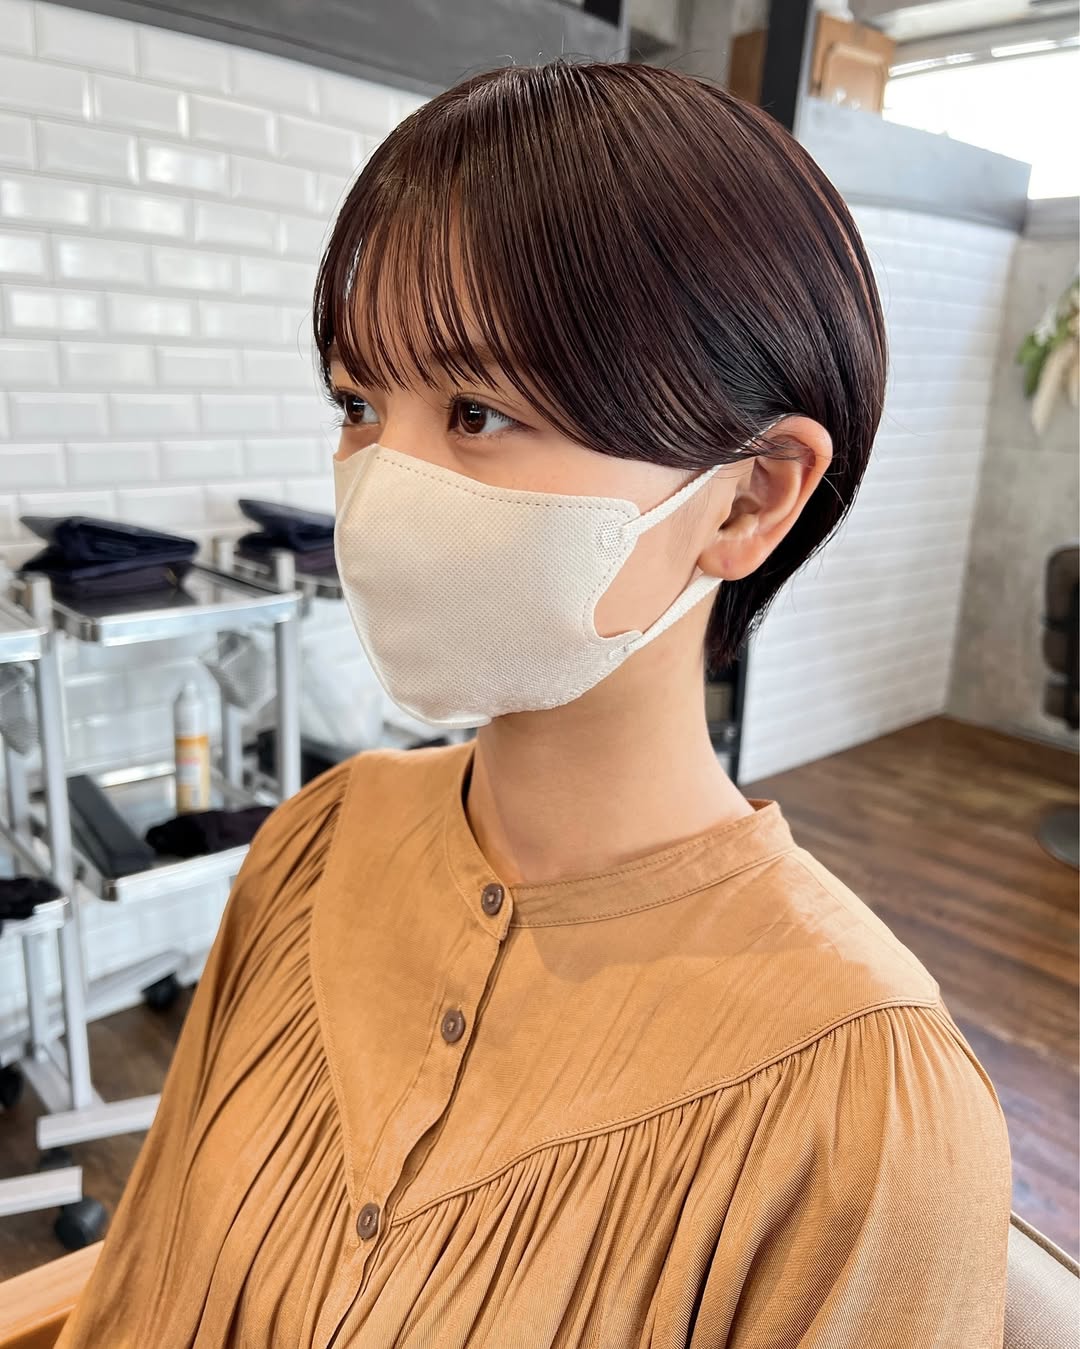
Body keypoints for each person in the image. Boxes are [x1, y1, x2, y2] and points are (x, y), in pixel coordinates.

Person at [55, 58, 1012, 1347]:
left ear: (750, 495)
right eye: (357, 404)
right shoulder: (314, 845)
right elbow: (142, 1287)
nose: (382, 491)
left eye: (479, 411)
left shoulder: (865, 1105)